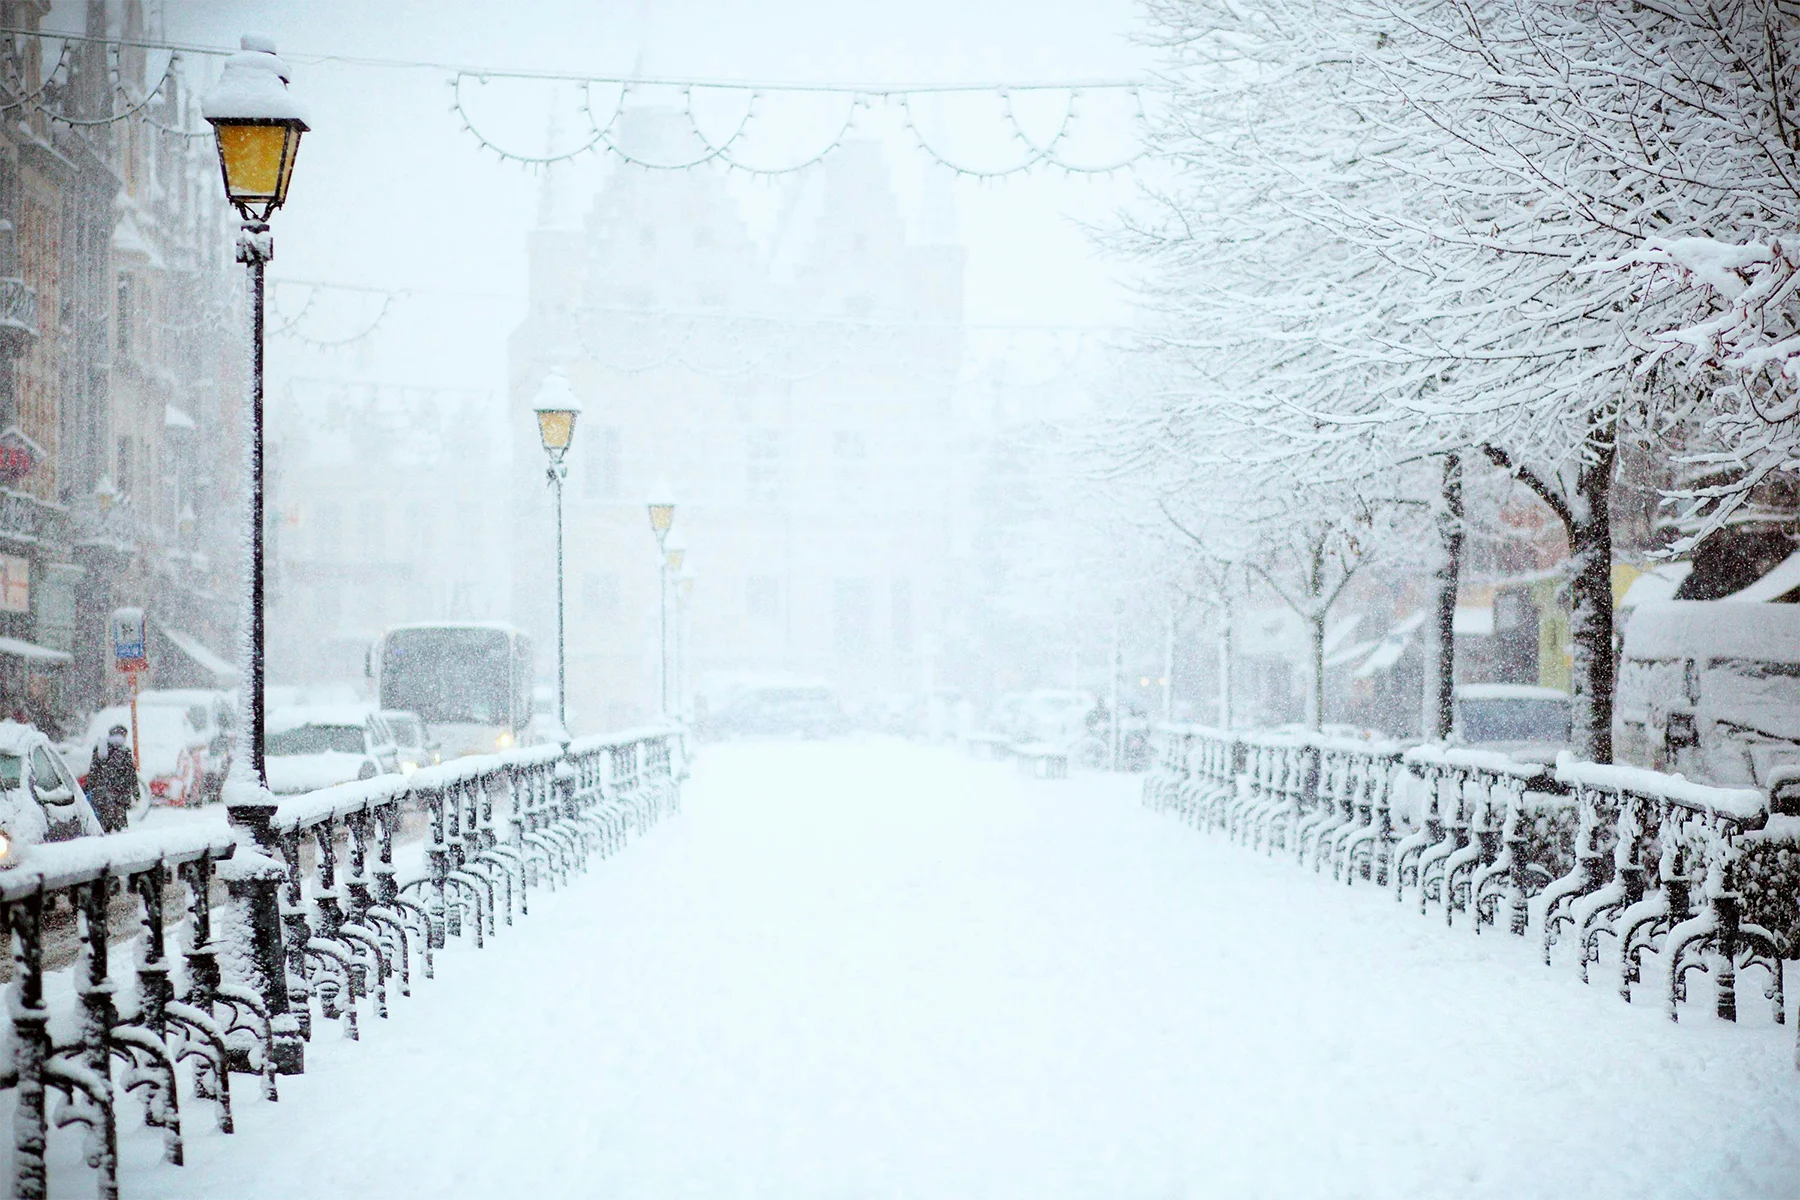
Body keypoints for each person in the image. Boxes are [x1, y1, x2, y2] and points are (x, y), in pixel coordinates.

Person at [87, 724, 137, 833]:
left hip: (102, 795)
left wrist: (90, 788)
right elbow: (131, 774)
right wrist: (135, 792)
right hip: (120, 796)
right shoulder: (125, 751)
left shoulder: (100, 748)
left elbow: (93, 771)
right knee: (121, 828)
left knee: (104, 826)